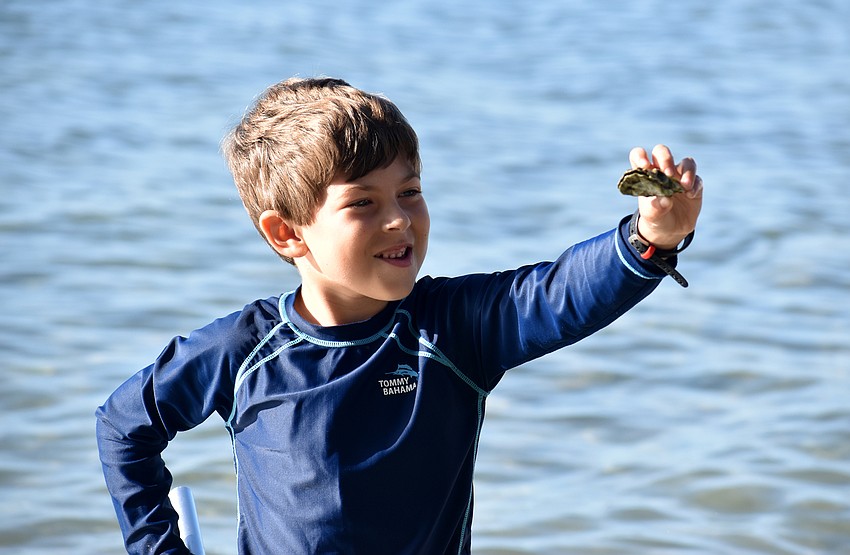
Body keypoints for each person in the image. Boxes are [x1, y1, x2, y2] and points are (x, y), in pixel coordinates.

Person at [96, 77, 703, 554]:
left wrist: (649, 240)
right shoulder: (244, 351)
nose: (399, 219)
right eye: (363, 202)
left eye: (409, 191)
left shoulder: (452, 330)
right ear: (287, 234)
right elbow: (125, 427)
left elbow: (557, 294)